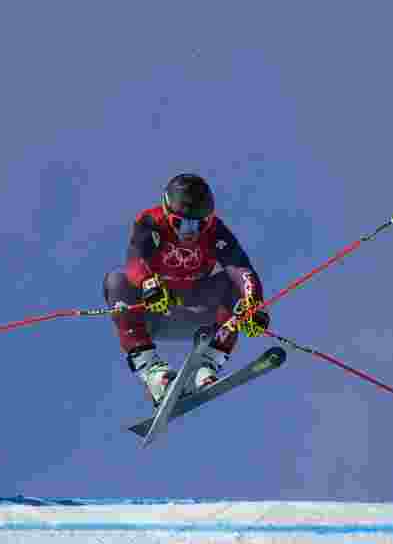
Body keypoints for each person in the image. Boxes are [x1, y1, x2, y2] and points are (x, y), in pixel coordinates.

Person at [103, 174, 271, 408]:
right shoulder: (151, 222)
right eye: (180, 222)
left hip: (198, 312)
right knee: (116, 280)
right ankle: (152, 371)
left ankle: (207, 364)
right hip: (156, 311)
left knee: (232, 286)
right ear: (166, 210)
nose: (190, 231)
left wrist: (253, 304)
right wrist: (148, 283)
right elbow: (135, 258)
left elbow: (241, 269)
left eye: (199, 223)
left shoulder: (215, 230)